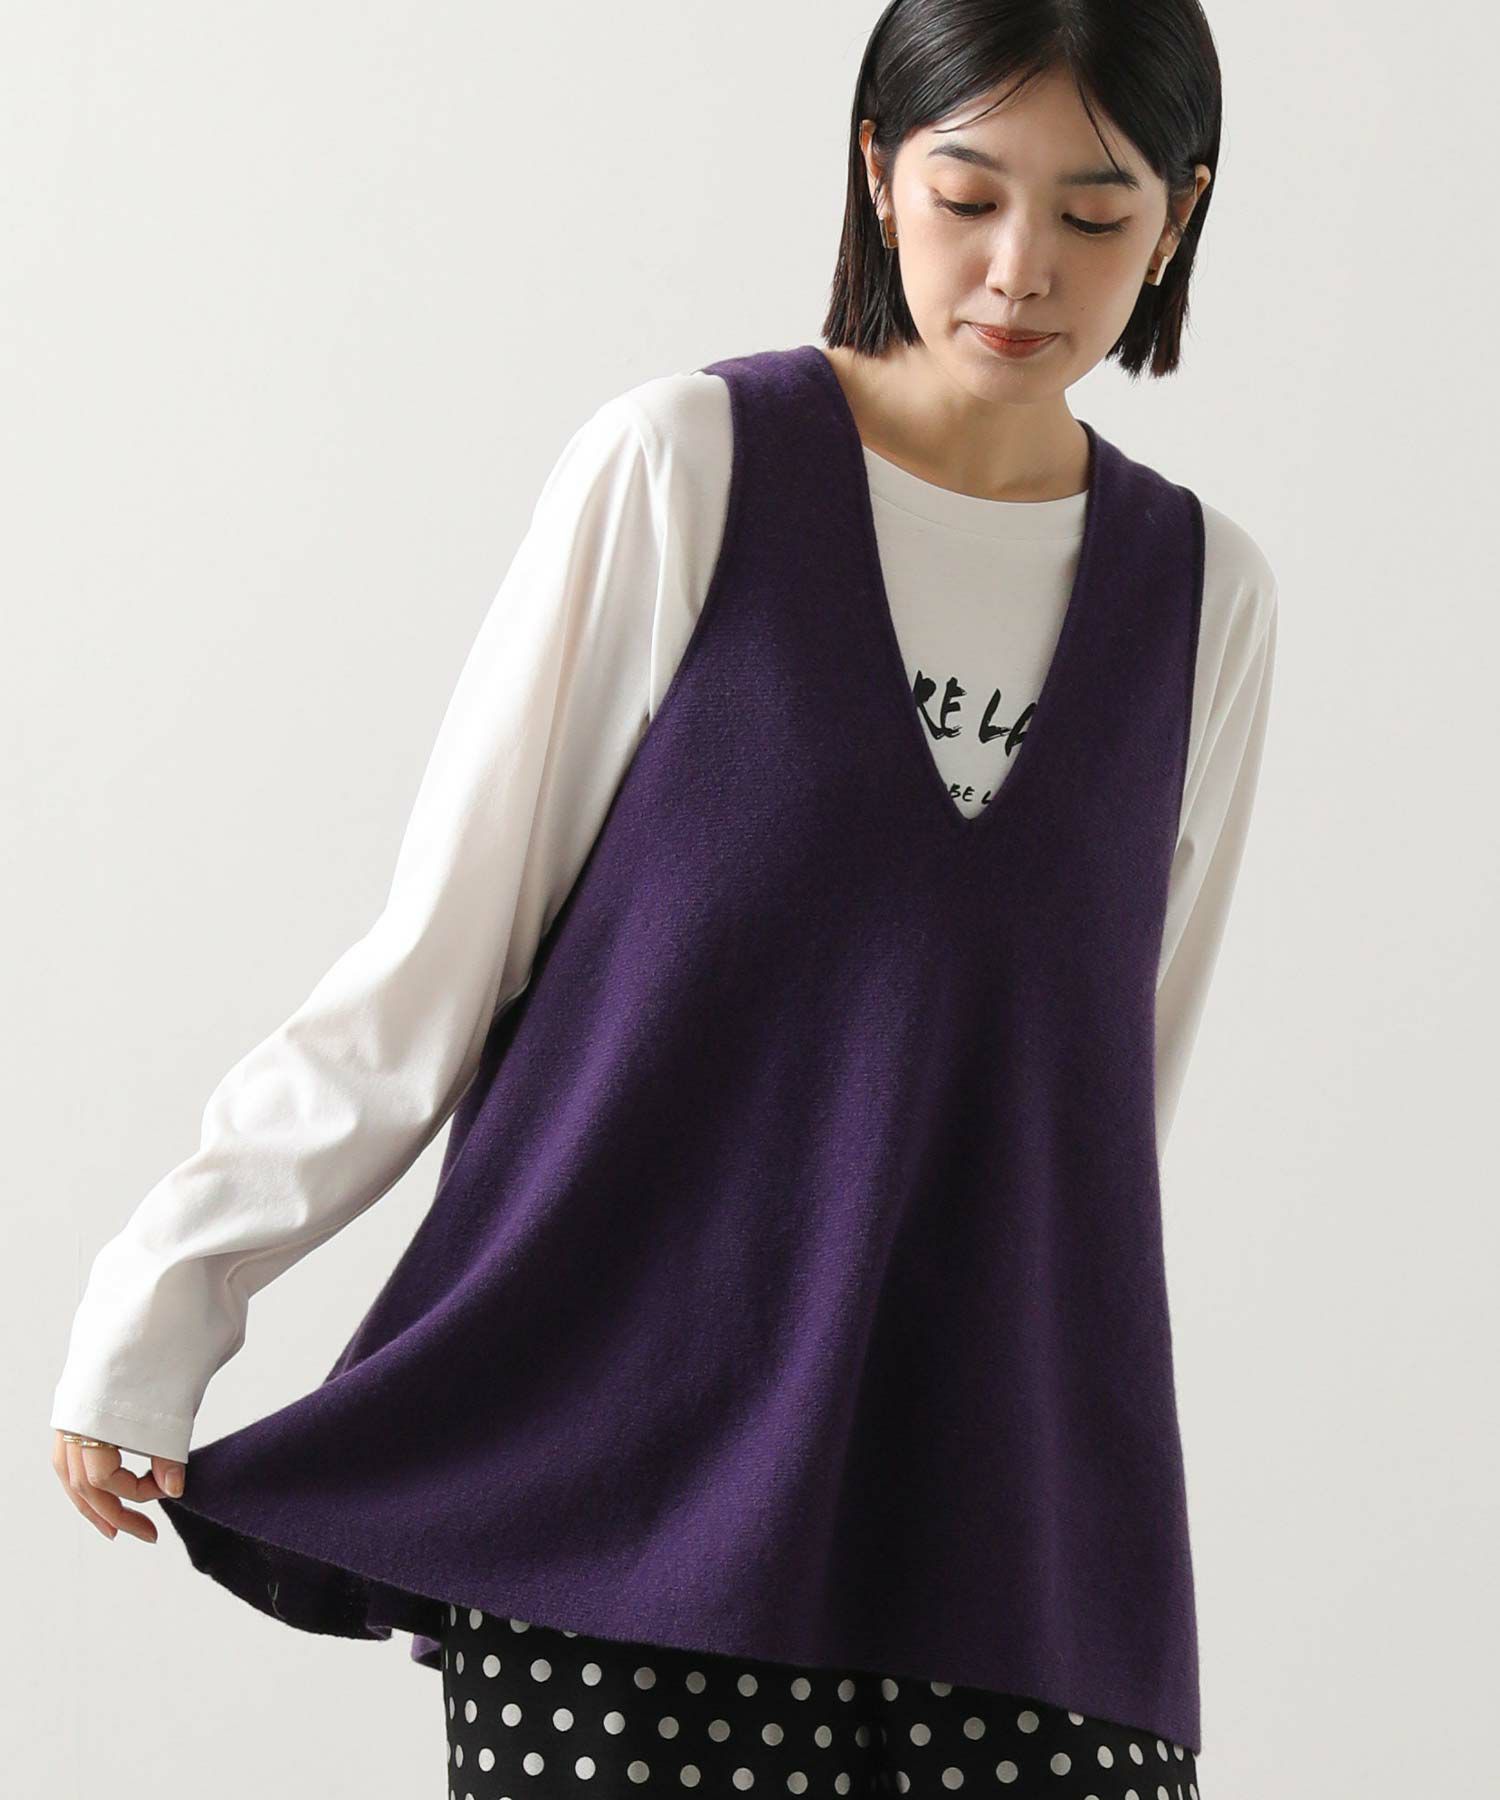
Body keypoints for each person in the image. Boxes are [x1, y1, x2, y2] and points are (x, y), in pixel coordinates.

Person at [53, 2, 1274, 1794]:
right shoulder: (690, 468)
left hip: (1005, 1513)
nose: (1023, 269)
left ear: (1180, 216)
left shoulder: (1200, 594)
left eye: (1095, 216)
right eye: (967, 197)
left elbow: (1109, 1090)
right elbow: (438, 961)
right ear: (877, 175)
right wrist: (164, 1301)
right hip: (631, 1485)